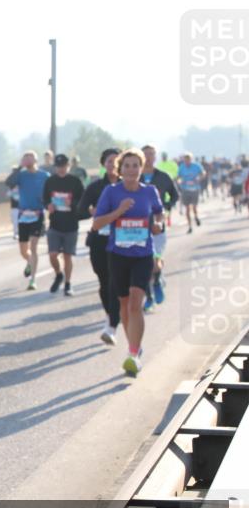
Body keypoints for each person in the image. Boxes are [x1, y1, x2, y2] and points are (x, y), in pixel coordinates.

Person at [91, 148, 165, 377]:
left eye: (136, 165)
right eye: (127, 166)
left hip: (142, 254)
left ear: (141, 168)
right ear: (120, 169)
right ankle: (134, 345)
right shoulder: (111, 192)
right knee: (123, 304)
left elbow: (159, 214)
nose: (131, 170)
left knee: (135, 303)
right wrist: (119, 211)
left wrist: (158, 225)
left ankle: (133, 355)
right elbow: (96, 224)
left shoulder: (150, 191)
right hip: (118, 254)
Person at [77, 148, 122, 345]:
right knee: (105, 282)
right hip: (100, 241)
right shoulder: (95, 188)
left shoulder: (130, 187)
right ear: (104, 164)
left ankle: (112, 325)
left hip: (124, 241)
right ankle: (110, 316)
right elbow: (80, 211)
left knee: (117, 282)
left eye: (116, 161)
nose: (112, 164)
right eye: (109, 161)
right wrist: (91, 211)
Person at [139, 145, 179, 311]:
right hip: (138, 227)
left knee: (154, 263)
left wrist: (166, 206)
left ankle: (156, 281)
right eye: (146, 154)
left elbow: (175, 195)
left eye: (151, 154)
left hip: (157, 226)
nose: (149, 157)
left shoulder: (163, 177)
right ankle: (149, 298)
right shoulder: (135, 177)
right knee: (145, 265)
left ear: (155, 157)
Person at [6, 151, 50, 290]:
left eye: (30, 159)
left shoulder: (44, 176)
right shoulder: (21, 175)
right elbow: (9, 183)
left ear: (36, 160)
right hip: (24, 215)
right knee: (24, 251)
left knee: (34, 247)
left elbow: (49, 193)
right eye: (25, 159)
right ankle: (29, 262)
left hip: (37, 215)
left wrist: (44, 205)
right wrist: (20, 167)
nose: (28, 161)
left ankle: (32, 280)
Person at [42, 154, 85, 296]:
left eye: (63, 166)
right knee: (53, 254)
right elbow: (44, 198)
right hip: (55, 223)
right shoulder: (50, 181)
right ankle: (58, 274)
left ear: (68, 166)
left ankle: (68, 284)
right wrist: (48, 205)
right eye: (58, 167)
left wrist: (72, 204)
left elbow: (82, 200)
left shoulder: (75, 181)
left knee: (67, 256)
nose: (61, 169)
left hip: (71, 224)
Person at [177, 153, 205, 233]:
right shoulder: (182, 167)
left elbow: (203, 173)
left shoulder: (196, 166)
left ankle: (196, 217)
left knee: (194, 207)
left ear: (191, 159)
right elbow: (178, 177)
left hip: (195, 189)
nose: (187, 161)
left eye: (188, 159)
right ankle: (190, 226)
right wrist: (179, 181)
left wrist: (199, 178)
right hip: (185, 189)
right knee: (187, 209)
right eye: (185, 160)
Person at [6, 165, 20, 240]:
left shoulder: (22, 184)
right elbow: (7, 195)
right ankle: (15, 233)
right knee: (15, 221)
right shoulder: (11, 186)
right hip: (14, 206)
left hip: (22, 206)